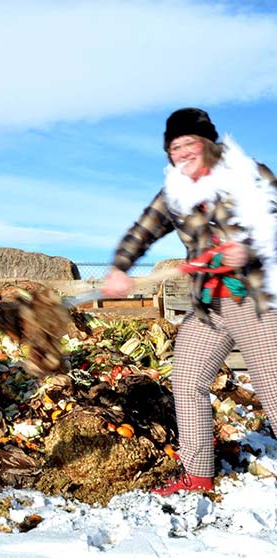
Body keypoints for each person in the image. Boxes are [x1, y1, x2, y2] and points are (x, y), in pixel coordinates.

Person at [102, 107, 277, 495]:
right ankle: (197, 475)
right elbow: (142, 229)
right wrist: (119, 266)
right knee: (186, 381)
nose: (181, 153)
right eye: (174, 148)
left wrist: (247, 247)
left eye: (188, 144)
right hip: (208, 306)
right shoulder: (175, 193)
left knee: (274, 389)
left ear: (209, 143)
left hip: (256, 299)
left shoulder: (250, 174)